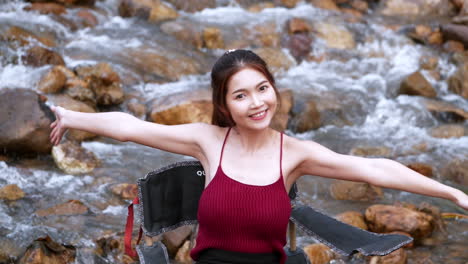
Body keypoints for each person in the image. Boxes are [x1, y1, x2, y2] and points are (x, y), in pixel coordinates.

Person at [50, 49, 468, 264]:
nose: (256, 103)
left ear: (274, 88)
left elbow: (375, 168)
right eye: (241, 95)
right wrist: (71, 116)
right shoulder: (208, 141)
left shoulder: (295, 155)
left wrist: (451, 193)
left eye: (263, 88)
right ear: (225, 105)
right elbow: (130, 129)